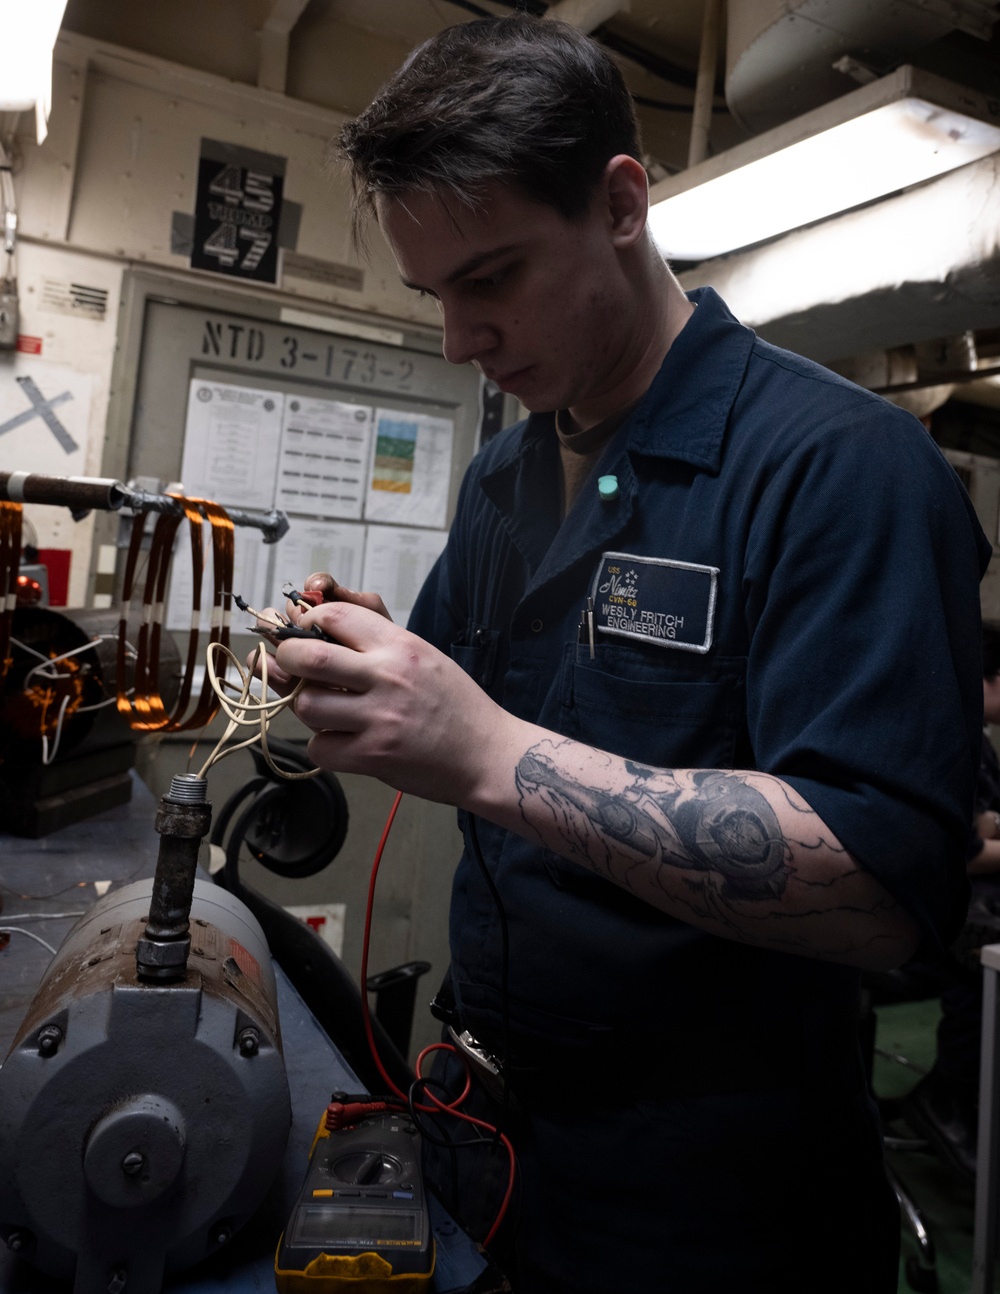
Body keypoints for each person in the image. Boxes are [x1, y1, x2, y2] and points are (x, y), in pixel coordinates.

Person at [260, 15, 990, 1293]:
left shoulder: (839, 470)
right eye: (434, 296)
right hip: (490, 1142)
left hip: (713, 1201)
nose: (457, 342)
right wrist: (362, 661)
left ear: (618, 202)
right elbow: (459, 697)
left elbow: (885, 890)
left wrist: (483, 750)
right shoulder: (503, 475)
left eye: (489, 279)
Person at [902, 621, 1000, 1183]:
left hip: (948, 897)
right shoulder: (939, 735)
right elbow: (963, 850)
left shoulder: (977, 742)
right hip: (914, 919)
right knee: (987, 965)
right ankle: (947, 1096)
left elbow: (987, 824)